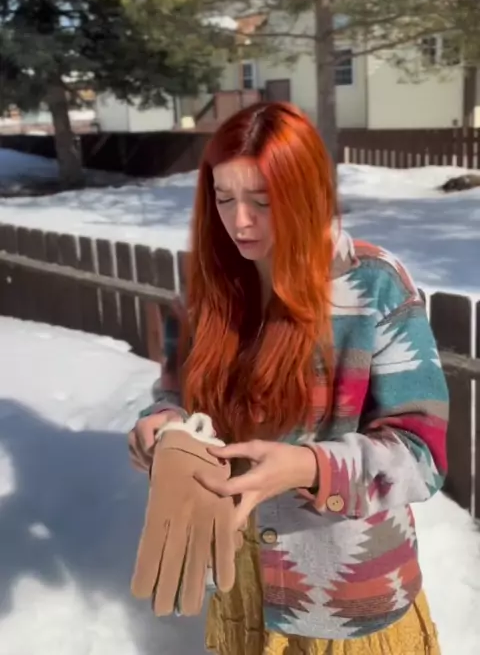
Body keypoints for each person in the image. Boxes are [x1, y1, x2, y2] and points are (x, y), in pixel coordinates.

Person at [128, 101, 448, 655]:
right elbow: (175, 393)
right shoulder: (209, 292)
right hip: (239, 587)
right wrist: (165, 427)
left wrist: (307, 466)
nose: (239, 222)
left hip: (346, 603)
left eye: (262, 201)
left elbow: (422, 456)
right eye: (224, 199)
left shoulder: (374, 286)